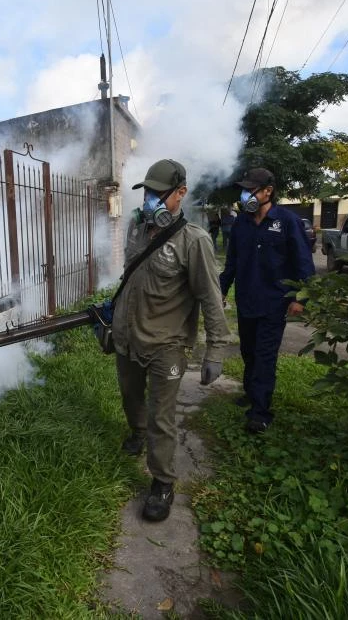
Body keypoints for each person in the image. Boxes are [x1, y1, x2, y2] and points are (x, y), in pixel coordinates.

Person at [111, 159, 229, 522]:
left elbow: (210, 296)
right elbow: (131, 277)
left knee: (162, 416)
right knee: (130, 395)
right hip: (130, 336)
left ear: (180, 193)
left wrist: (216, 350)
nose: (150, 201)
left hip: (167, 344)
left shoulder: (194, 240)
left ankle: (162, 482)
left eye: (158, 194)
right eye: (147, 193)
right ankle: (136, 432)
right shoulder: (136, 228)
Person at [219, 168, 315, 434]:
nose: (245, 194)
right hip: (247, 300)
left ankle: (260, 413)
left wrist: (301, 298)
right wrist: (221, 289)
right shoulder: (241, 223)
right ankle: (251, 393)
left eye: (251, 190)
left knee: (264, 356)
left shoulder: (286, 221)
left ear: (267, 191)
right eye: (244, 189)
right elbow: (232, 262)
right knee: (248, 351)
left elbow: (303, 262)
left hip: (274, 303)